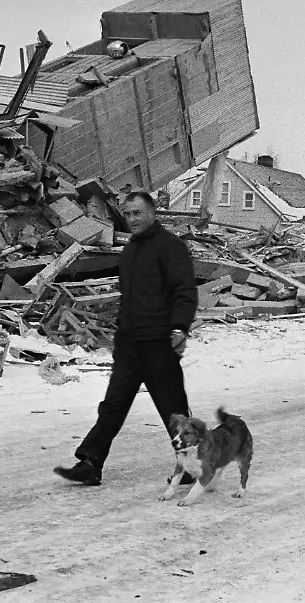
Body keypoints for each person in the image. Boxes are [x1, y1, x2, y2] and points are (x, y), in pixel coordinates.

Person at [54, 191, 198, 486]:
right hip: (131, 346)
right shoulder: (130, 250)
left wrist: (180, 327)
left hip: (160, 344)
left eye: (137, 213)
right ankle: (91, 463)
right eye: (128, 214)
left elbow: (185, 291)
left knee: (173, 409)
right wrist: (120, 340)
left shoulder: (171, 247)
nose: (131, 219)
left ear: (152, 213)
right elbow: (129, 299)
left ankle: (194, 465)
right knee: (112, 406)